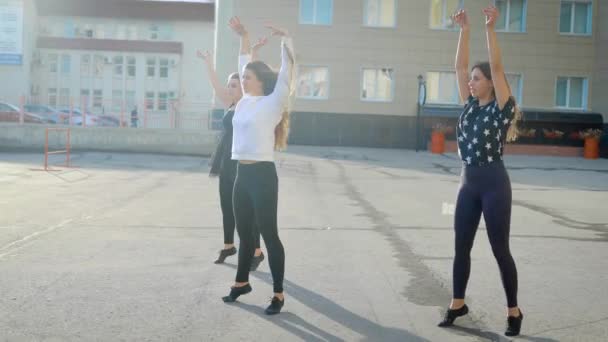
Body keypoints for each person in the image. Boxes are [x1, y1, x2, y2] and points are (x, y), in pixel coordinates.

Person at [437, 6, 524, 337]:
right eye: (470, 79)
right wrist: (464, 29)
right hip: (467, 184)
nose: (470, 82)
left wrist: (489, 29)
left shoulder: (501, 109)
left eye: (476, 78)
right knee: (461, 246)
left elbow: (499, 67)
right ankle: (457, 303)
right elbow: (457, 65)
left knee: (500, 249)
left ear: (490, 83)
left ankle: (513, 311)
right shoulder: (470, 104)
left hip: (494, 184)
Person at [221, 16, 294, 316]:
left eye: (247, 78)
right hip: (242, 173)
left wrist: (286, 38)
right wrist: (244, 36)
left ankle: (278, 293)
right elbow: (242, 62)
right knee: (245, 234)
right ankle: (241, 283)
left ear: (260, 81)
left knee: (268, 233)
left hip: (263, 176)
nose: (242, 81)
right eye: (243, 78)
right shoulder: (243, 102)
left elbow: (288, 71)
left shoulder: (273, 102)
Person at [197, 37, 268, 270]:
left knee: (246, 211)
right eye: (230, 84)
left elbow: (255, 77)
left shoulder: (248, 103)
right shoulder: (229, 102)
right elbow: (216, 85)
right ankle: (229, 245)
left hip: (241, 161)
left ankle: (257, 251)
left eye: (235, 84)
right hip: (225, 161)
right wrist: (208, 63)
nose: (230, 88)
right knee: (226, 205)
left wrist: (254, 52)